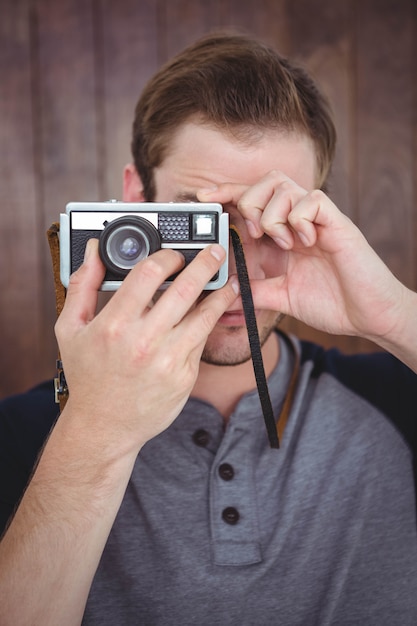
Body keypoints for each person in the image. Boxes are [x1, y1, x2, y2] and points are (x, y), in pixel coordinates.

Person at [0, 31, 417, 626]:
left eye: (270, 219)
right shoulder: (24, 436)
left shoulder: (395, 396)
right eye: (199, 219)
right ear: (136, 200)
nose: (235, 265)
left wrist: (396, 315)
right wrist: (92, 434)